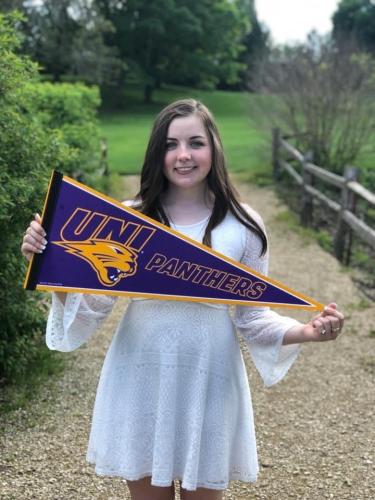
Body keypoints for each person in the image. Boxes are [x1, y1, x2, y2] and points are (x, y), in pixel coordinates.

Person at [21, 99, 344, 500]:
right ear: (158, 153)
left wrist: (307, 331)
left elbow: (252, 317)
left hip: (209, 378)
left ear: (214, 148)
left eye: (195, 142)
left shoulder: (245, 226)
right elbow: (93, 304)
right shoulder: (129, 218)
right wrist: (47, 263)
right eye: (171, 144)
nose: (184, 155)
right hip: (140, 373)